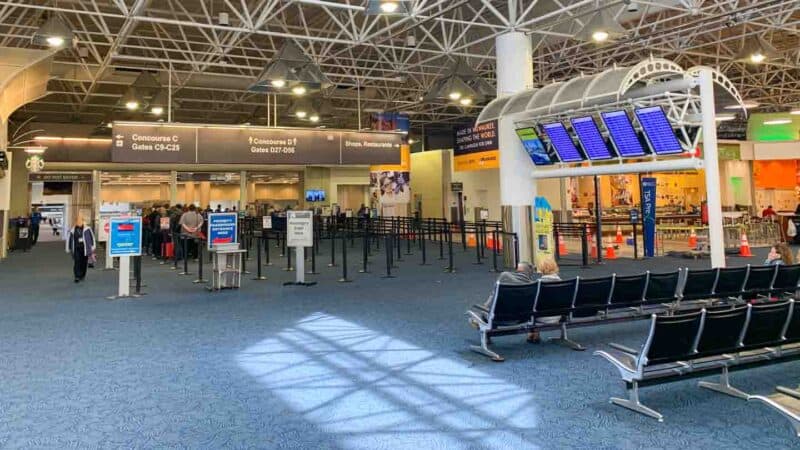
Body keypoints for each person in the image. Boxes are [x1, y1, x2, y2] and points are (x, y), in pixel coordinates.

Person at [527, 258, 562, 343]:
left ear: (541, 269)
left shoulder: (538, 284)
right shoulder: (563, 283)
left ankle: (534, 334)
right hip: (558, 316)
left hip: (541, 317)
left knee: (531, 306)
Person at [66, 215, 95, 283]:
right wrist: (68, 248)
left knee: (84, 263)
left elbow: (92, 238)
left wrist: (93, 247)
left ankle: (82, 275)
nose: (79, 221)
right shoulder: (73, 230)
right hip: (76, 248)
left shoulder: (87, 229)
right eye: (77, 220)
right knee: (77, 262)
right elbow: (69, 239)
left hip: (85, 249)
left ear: (83, 221)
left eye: (80, 220)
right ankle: (77, 276)